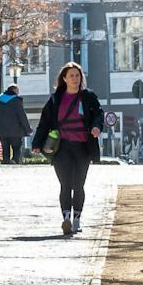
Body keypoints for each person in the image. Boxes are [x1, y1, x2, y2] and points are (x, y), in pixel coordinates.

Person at [33, 62, 106, 236]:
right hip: (62, 148)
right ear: (64, 78)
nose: (75, 79)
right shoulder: (55, 98)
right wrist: (37, 143)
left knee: (79, 184)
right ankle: (66, 218)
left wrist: (97, 127)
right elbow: (44, 121)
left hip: (83, 147)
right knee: (65, 184)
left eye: (78, 75)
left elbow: (98, 113)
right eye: (71, 76)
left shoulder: (88, 96)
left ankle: (77, 220)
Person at [0, 76, 30, 163]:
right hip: (15, 131)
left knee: (5, 149)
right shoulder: (16, 101)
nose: (18, 92)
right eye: (17, 90)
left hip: (2, 131)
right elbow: (22, 116)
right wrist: (28, 129)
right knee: (16, 148)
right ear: (14, 91)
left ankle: (6, 163)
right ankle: (14, 162)